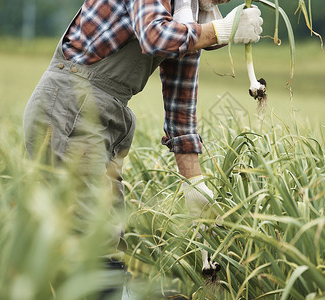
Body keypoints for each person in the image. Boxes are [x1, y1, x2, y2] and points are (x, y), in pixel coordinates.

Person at [23, 0, 262, 297]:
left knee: (107, 239)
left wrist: (194, 182)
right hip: (70, 108)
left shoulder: (187, 11)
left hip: (104, 116)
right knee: (91, 242)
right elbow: (155, 36)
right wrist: (222, 30)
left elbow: (180, 98)